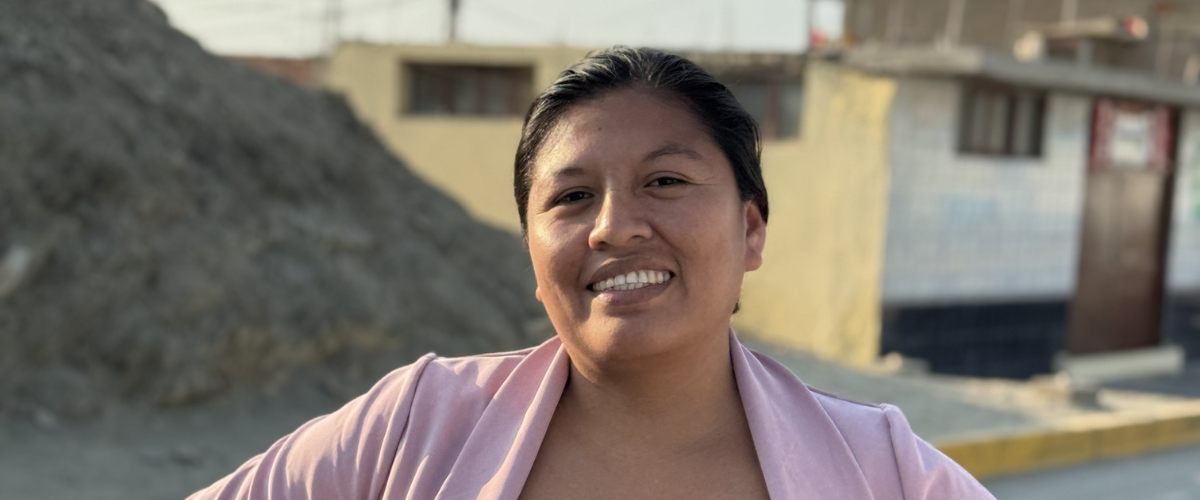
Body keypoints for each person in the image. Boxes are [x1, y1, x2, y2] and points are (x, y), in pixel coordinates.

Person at [189, 47, 995, 500]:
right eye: (573, 197)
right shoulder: (413, 430)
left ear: (751, 230)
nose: (614, 227)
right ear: (534, 258)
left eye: (666, 182)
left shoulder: (881, 469)